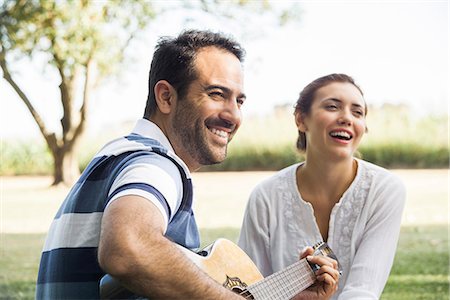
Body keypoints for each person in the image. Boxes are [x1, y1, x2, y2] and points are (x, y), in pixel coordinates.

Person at [36, 30, 339, 299]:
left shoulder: (120, 155)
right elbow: (127, 249)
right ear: (166, 97)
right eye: (217, 94)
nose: (233, 115)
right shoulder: (154, 166)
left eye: (240, 101)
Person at [238, 73, 406, 299]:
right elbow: (251, 290)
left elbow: (363, 290)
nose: (347, 118)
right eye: (332, 106)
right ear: (301, 119)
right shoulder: (266, 196)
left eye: (357, 112)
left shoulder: (385, 189)